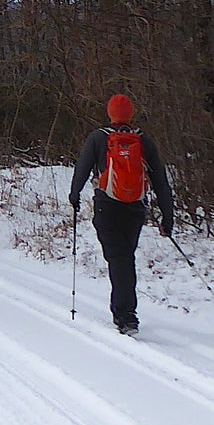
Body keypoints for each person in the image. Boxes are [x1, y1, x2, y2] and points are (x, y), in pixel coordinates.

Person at [69, 94, 174, 335]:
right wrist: (168, 216)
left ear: (110, 113)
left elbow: (82, 169)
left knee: (119, 258)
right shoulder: (143, 141)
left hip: (107, 207)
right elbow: (160, 180)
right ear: (131, 113)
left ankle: (126, 316)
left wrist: (74, 196)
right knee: (125, 257)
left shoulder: (97, 138)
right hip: (135, 209)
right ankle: (126, 312)